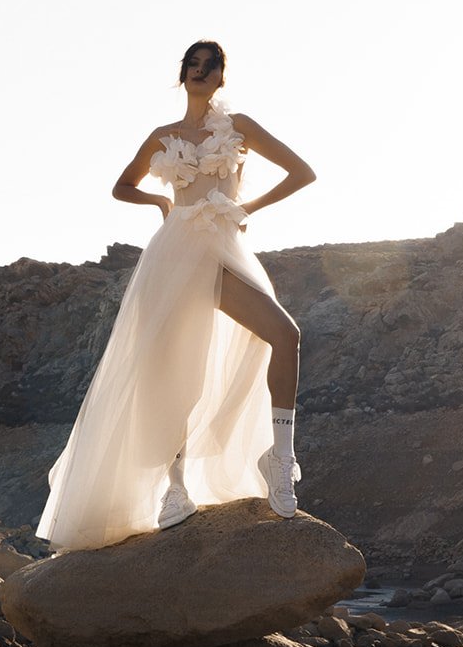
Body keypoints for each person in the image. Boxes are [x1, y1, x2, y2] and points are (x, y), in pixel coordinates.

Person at [37, 40, 316, 552]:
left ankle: (280, 460)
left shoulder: (241, 129)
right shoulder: (162, 137)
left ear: (222, 78)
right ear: (182, 72)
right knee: (175, 373)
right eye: (194, 64)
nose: (201, 73)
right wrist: (160, 200)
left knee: (285, 334)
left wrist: (245, 204)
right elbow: (121, 186)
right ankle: (175, 488)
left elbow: (303, 173)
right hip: (173, 256)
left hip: (224, 250)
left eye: (212, 67)